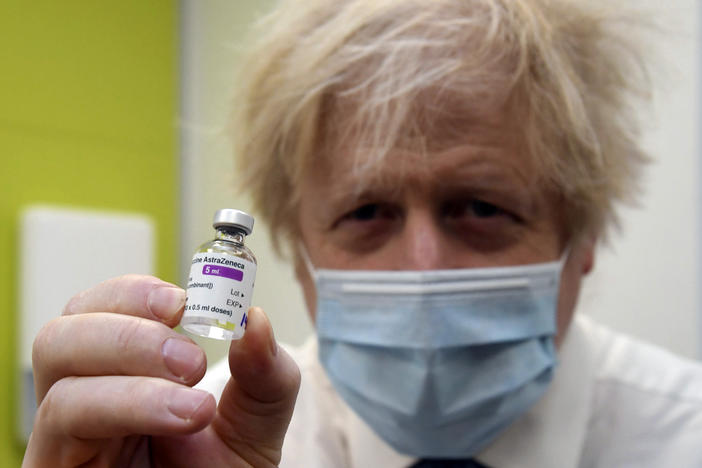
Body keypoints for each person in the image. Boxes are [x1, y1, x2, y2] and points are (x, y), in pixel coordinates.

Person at [23, 0, 702, 467]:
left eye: (482, 207)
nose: (421, 269)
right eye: (367, 213)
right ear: (298, 249)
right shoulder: (190, 436)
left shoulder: (685, 437)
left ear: (580, 240)